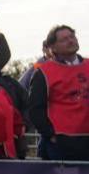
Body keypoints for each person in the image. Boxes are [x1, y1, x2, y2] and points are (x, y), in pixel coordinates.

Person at [28, 25, 89, 161]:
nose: (71, 41)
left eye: (72, 37)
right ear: (53, 48)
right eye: (64, 39)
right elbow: (35, 109)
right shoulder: (43, 72)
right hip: (61, 143)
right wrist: (51, 135)